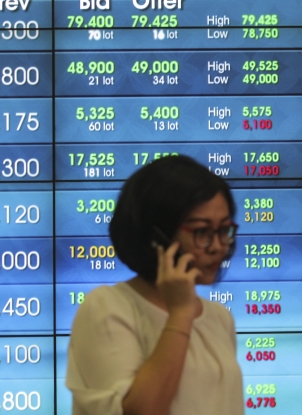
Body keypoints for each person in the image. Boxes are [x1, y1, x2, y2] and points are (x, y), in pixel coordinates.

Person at [65, 155, 244, 415]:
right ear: (157, 237)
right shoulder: (108, 307)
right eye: (202, 232)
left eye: (224, 230)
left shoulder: (219, 318)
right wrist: (180, 313)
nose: (217, 246)